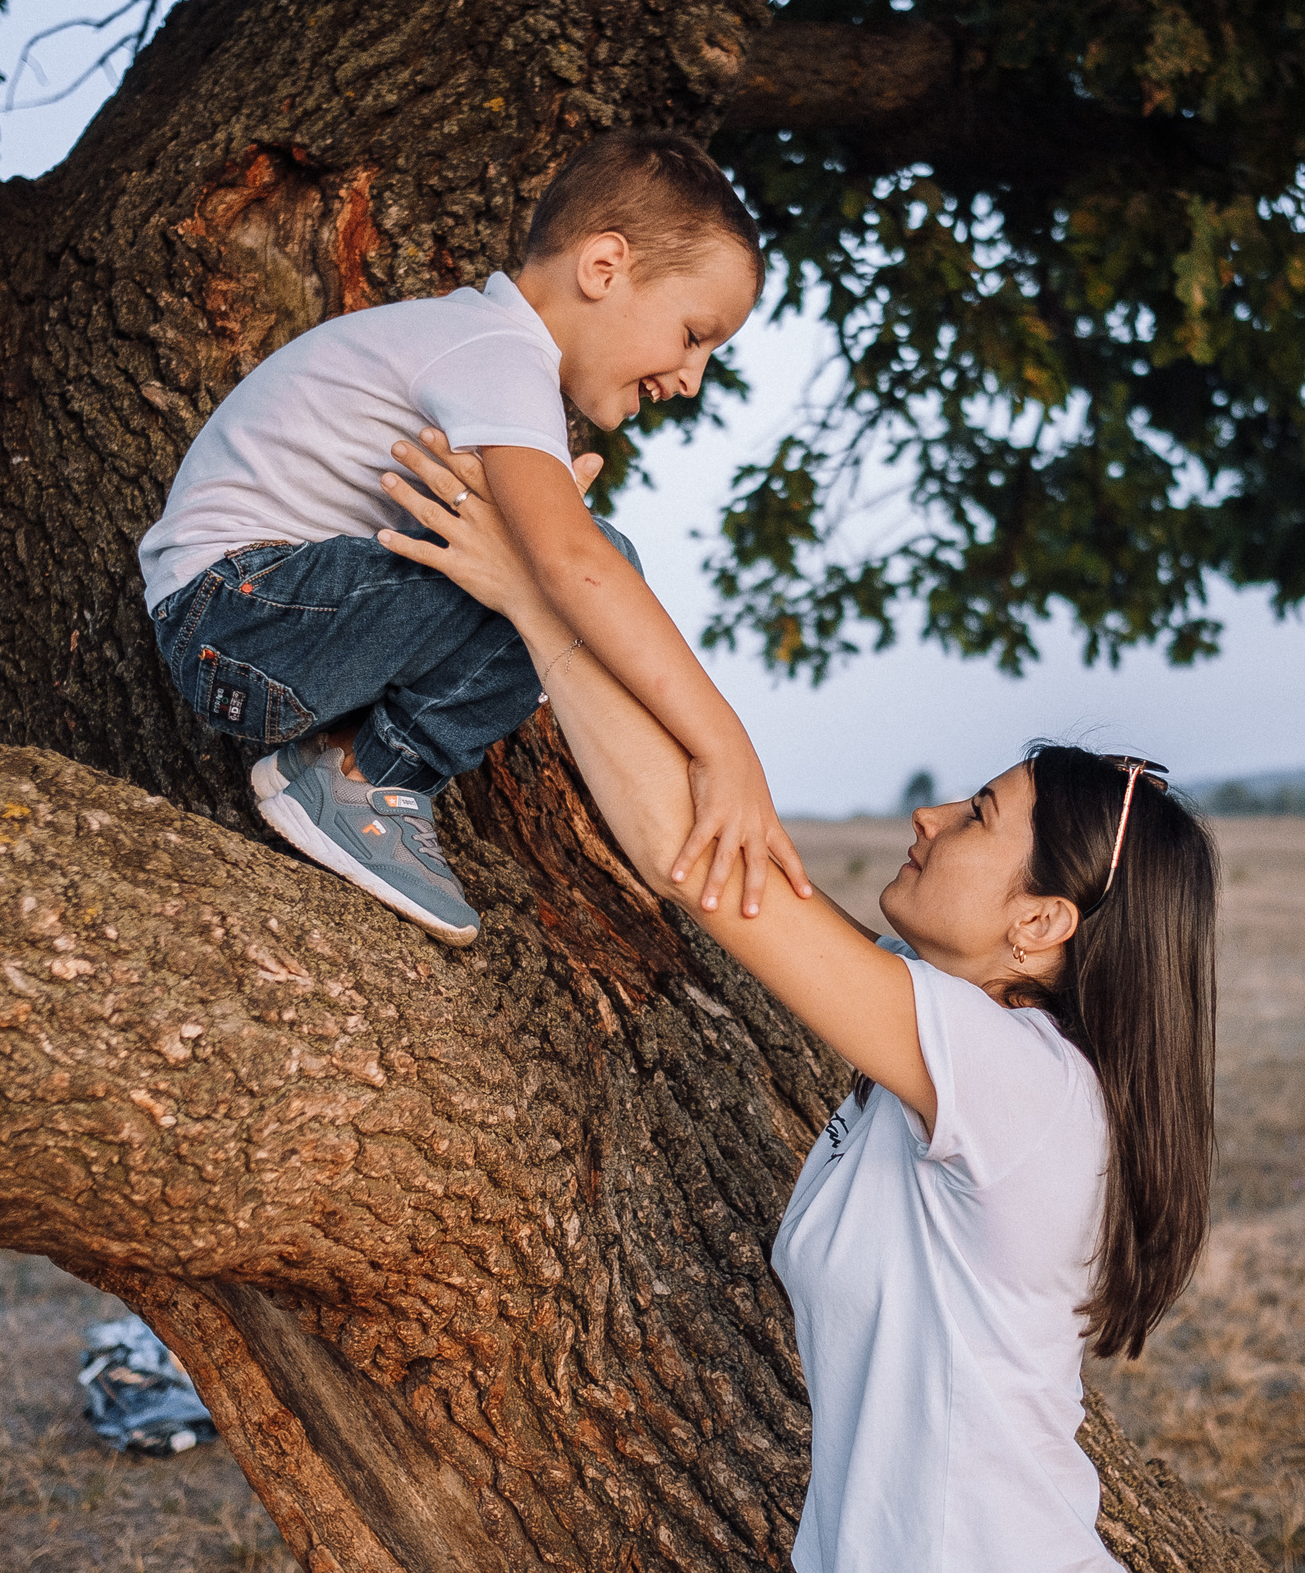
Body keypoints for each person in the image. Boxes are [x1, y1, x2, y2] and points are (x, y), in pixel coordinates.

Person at [373, 432, 1220, 1573]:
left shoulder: (1018, 1082)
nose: (928, 817)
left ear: (1041, 925)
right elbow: (724, 851)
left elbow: (699, 862)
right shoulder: (940, 1045)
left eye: (976, 816)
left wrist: (539, 599)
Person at [137, 131, 812, 946]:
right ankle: (365, 777)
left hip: (250, 627)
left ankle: (356, 774)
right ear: (605, 268)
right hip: (239, 610)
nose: (690, 379)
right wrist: (726, 748)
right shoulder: (497, 355)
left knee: (554, 572)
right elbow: (575, 568)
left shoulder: (481, 353)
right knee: (586, 569)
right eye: (694, 335)